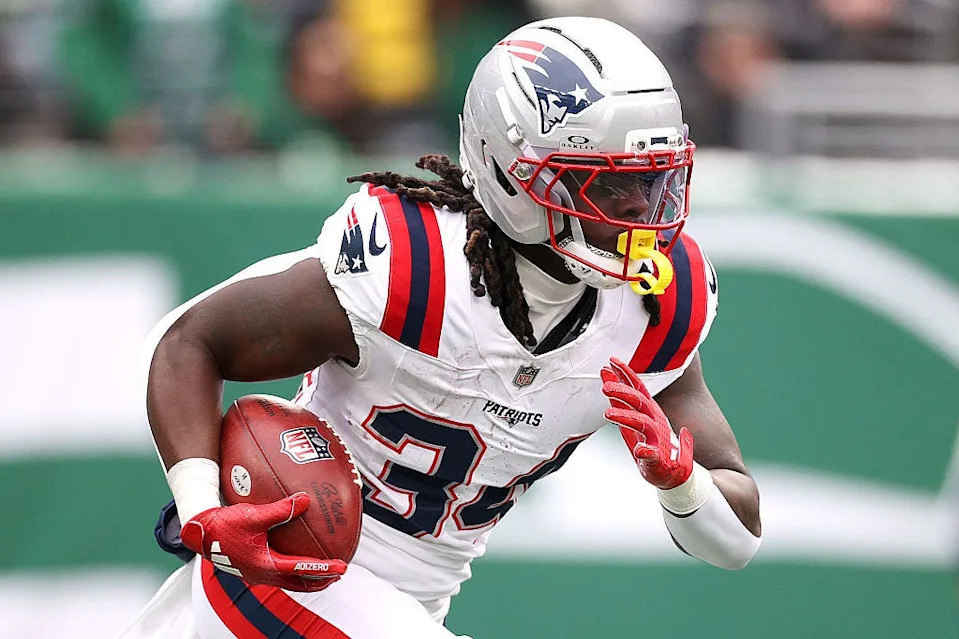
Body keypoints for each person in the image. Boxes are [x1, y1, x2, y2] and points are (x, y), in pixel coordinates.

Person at [123, 16, 762, 639]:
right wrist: (203, 509)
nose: (637, 213)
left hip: (410, 605)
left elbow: (738, 540)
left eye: (652, 182)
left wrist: (682, 486)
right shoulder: (414, 270)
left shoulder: (654, 311)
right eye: (604, 185)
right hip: (283, 573)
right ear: (511, 171)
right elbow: (189, 341)